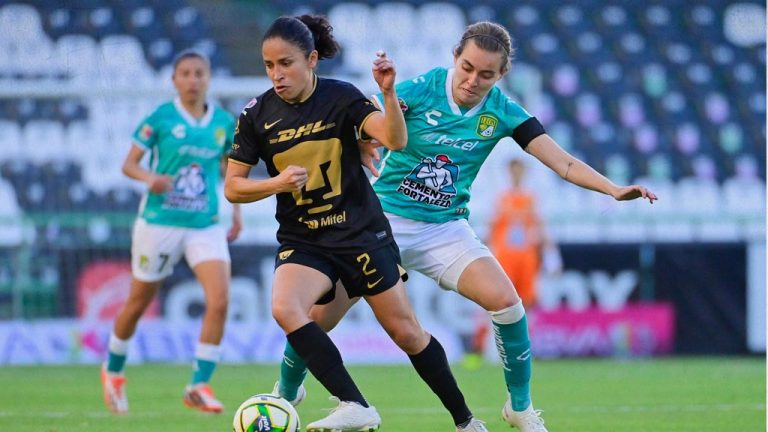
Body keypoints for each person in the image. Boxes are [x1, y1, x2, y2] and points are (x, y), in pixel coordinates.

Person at [276, 21, 658, 432]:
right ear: (455, 58)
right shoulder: (424, 88)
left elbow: (563, 162)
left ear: (501, 75)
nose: (473, 81)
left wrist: (612, 189)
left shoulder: (503, 111)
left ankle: (520, 408)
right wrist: (363, 136)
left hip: (444, 229)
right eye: (468, 68)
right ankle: (285, 393)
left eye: (486, 74)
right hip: (381, 221)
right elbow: (364, 117)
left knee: (507, 303)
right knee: (320, 315)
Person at [224, 15, 487, 432]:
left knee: (406, 332)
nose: (276, 74)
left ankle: (466, 421)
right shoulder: (255, 114)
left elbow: (395, 139)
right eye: (269, 65)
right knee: (285, 308)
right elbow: (233, 187)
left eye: (286, 63)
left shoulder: (342, 96)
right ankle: (354, 404)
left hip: (360, 233)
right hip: (303, 237)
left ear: (311, 60)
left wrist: (388, 93)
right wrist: (276, 183)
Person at [100, 50, 241, 415]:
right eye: (186, 73)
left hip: (205, 224)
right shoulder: (160, 118)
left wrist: (236, 211)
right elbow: (129, 165)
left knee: (220, 300)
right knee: (138, 302)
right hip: (160, 222)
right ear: (174, 80)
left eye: (199, 73)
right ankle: (113, 371)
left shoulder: (223, 122)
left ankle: (199, 385)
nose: (193, 80)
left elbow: (230, 169)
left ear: (209, 78)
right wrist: (151, 178)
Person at [465, 157, 562, 368]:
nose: (516, 173)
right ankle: (485, 349)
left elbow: (541, 228)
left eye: (519, 170)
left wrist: (552, 256)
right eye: (513, 170)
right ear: (509, 172)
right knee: (494, 302)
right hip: (504, 258)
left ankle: (522, 351)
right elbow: (490, 229)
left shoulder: (531, 199)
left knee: (526, 304)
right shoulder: (501, 198)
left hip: (526, 259)